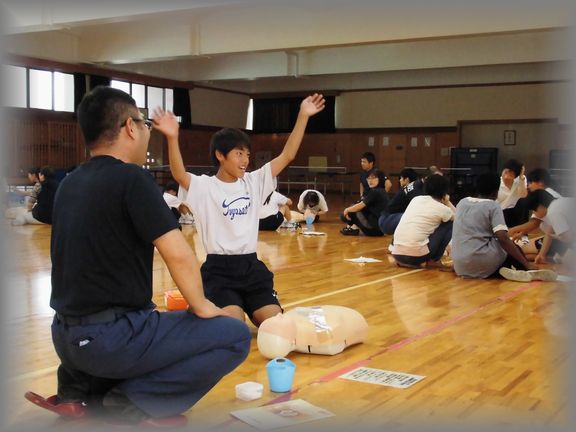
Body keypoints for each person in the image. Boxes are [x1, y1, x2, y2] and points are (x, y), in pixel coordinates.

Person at [25, 86, 251, 427]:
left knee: (144, 317)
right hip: (109, 341)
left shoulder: (70, 182)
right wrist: (203, 306)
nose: (146, 130)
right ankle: (131, 403)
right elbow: (178, 254)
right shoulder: (132, 178)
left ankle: (79, 392)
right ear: (130, 127)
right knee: (234, 335)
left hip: (66, 340)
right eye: (144, 123)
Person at [165, 93, 326, 326]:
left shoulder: (254, 182)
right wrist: (172, 137)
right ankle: (207, 310)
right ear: (220, 155)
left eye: (247, 154)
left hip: (251, 268)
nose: (245, 160)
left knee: (275, 325)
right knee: (234, 327)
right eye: (239, 154)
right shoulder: (205, 186)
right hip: (219, 272)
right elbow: (179, 174)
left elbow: (288, 155)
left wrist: (303, 115)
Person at [451, 172, 556, 281]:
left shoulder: (462, 203)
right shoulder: (493, 206)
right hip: (484, 262)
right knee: (512, 247)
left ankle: (503, 271)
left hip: (460, 266)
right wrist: (526, 264)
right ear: (496, 191)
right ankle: (525, 270)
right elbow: (502, 237)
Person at [391, 174, 455, 270]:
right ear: (444, 191)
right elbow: (460, 219)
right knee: (449, 223)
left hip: (396, 253)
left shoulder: (416, 199)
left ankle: (404, 261)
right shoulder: (442, 209)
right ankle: (434, 260)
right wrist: (447, 202)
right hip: (416, 257)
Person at [257, 305, 368, 359]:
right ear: (291, 344)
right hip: (347, 322)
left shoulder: (291, 315)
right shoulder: (322, 335)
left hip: (346, 320)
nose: (278, 315)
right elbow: (330, 339)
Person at [340, 168, 388, 236]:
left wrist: (347, 210)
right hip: (381, 230)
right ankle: (353, 227)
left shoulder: (375, 192)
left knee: (346, 214)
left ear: (380, 179)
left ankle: (353, 228)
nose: (370, 181)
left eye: (373, 178)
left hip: (373, 230)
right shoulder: (382, 191)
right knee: (354, 207)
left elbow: (360, 206)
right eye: (368, 178)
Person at [378, 167, 422, 235]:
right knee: (414, 216)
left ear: (407, 179)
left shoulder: (411, 189)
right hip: (386, 220)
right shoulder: (407, 190)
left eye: (401, 178)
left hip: (389, 219)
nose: (400, 180)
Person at [496, 159, 528, 226]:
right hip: (499, 213)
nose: (506, 177)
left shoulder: (520, 180)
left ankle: (522, 231)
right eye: (505, 172)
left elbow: (523, 195)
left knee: (523, 202)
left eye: (510, 175)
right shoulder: (497, 182)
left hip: (515, 213)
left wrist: (521, 178)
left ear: (516, 176)